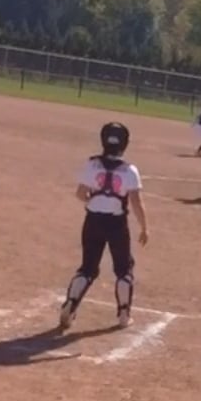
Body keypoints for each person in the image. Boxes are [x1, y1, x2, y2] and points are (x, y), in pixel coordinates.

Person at [56, 122, 150, 332]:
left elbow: (80, 193)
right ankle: (124, 314)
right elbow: (136, 203)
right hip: (116, 224)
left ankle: (71, 303)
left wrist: (93, 199)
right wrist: (145, 227)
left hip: (93, 220)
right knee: (123, 270)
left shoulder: (92, 165)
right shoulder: (129, 170)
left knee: (88, 268)